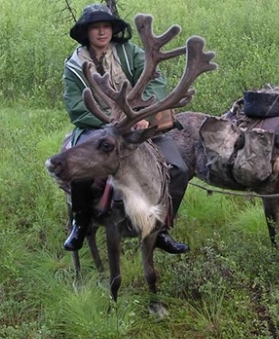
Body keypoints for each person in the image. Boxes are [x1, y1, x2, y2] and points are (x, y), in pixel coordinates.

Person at [61, 3, 190, 254]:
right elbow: (76, 107)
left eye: (106, 26)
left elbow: (156, 81)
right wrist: (111, 121)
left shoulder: (129, 52)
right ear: (86, 32)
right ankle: (81, 221)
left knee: (179, 168)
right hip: (97, 127)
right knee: (80, 170)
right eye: (95, 28)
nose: (101, 32)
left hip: (139, 124)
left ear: (112, 29)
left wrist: (142, 114)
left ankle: (161, 227)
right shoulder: (74, 66)